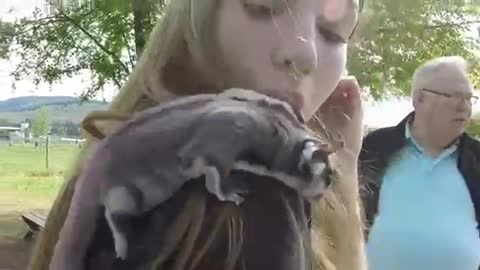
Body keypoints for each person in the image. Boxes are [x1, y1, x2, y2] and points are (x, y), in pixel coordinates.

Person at [28, 0, 367, 269]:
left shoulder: (120, 145)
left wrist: (346, 171)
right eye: (263, 6)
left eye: (334, 32)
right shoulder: (241, 198)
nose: (306, 54)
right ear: (198, 17)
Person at [359, 56, 480, 270]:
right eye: (454, 96)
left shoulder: (477, 157)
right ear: (419, 99)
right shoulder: (375, 147)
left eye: (469, 98)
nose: (465, 107)